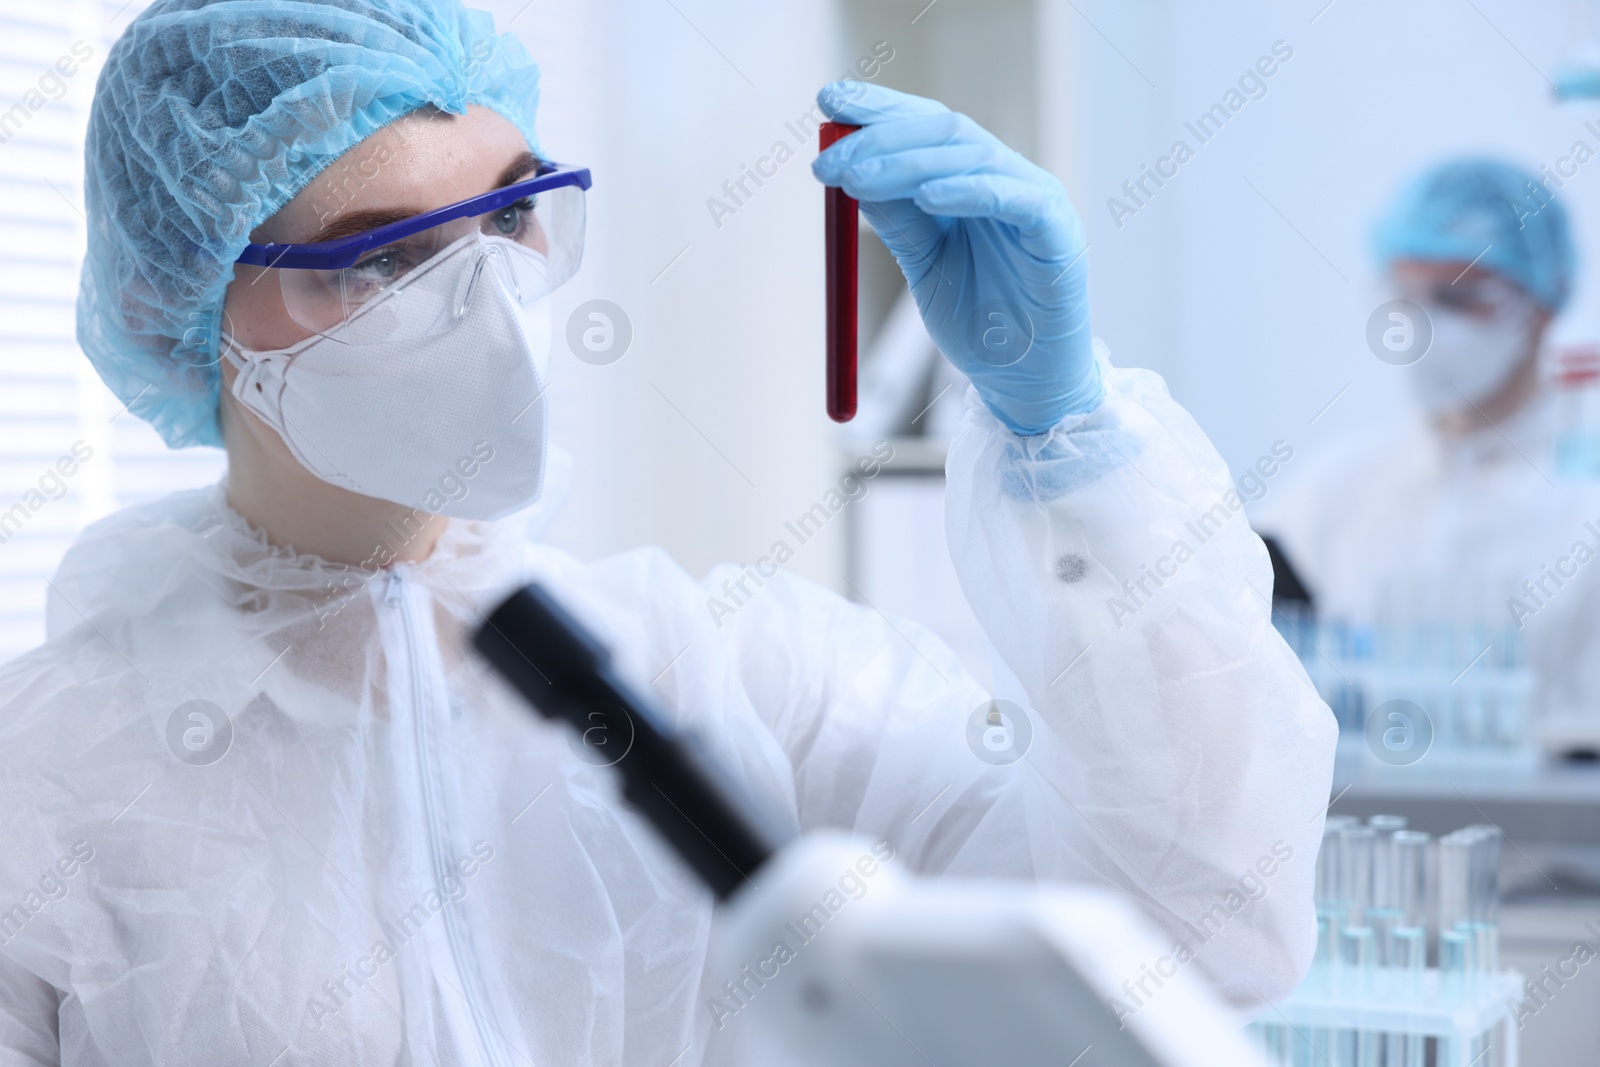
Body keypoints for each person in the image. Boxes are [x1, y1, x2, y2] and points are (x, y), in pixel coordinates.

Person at [0, 1, 1335, 1062]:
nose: (487, 301)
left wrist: (1071, 439)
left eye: (513, 210)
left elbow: (1192, 934)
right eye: (386, 253)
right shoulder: (49, 771)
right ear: (187, 301)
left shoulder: (732, 675)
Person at [1257, 159, 1600, 742]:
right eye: (1403, 295)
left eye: (1459, 298)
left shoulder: (1580, 499)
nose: (1419, 324)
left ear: (1542, 304)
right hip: (1373, 829)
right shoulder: (1333, 488)